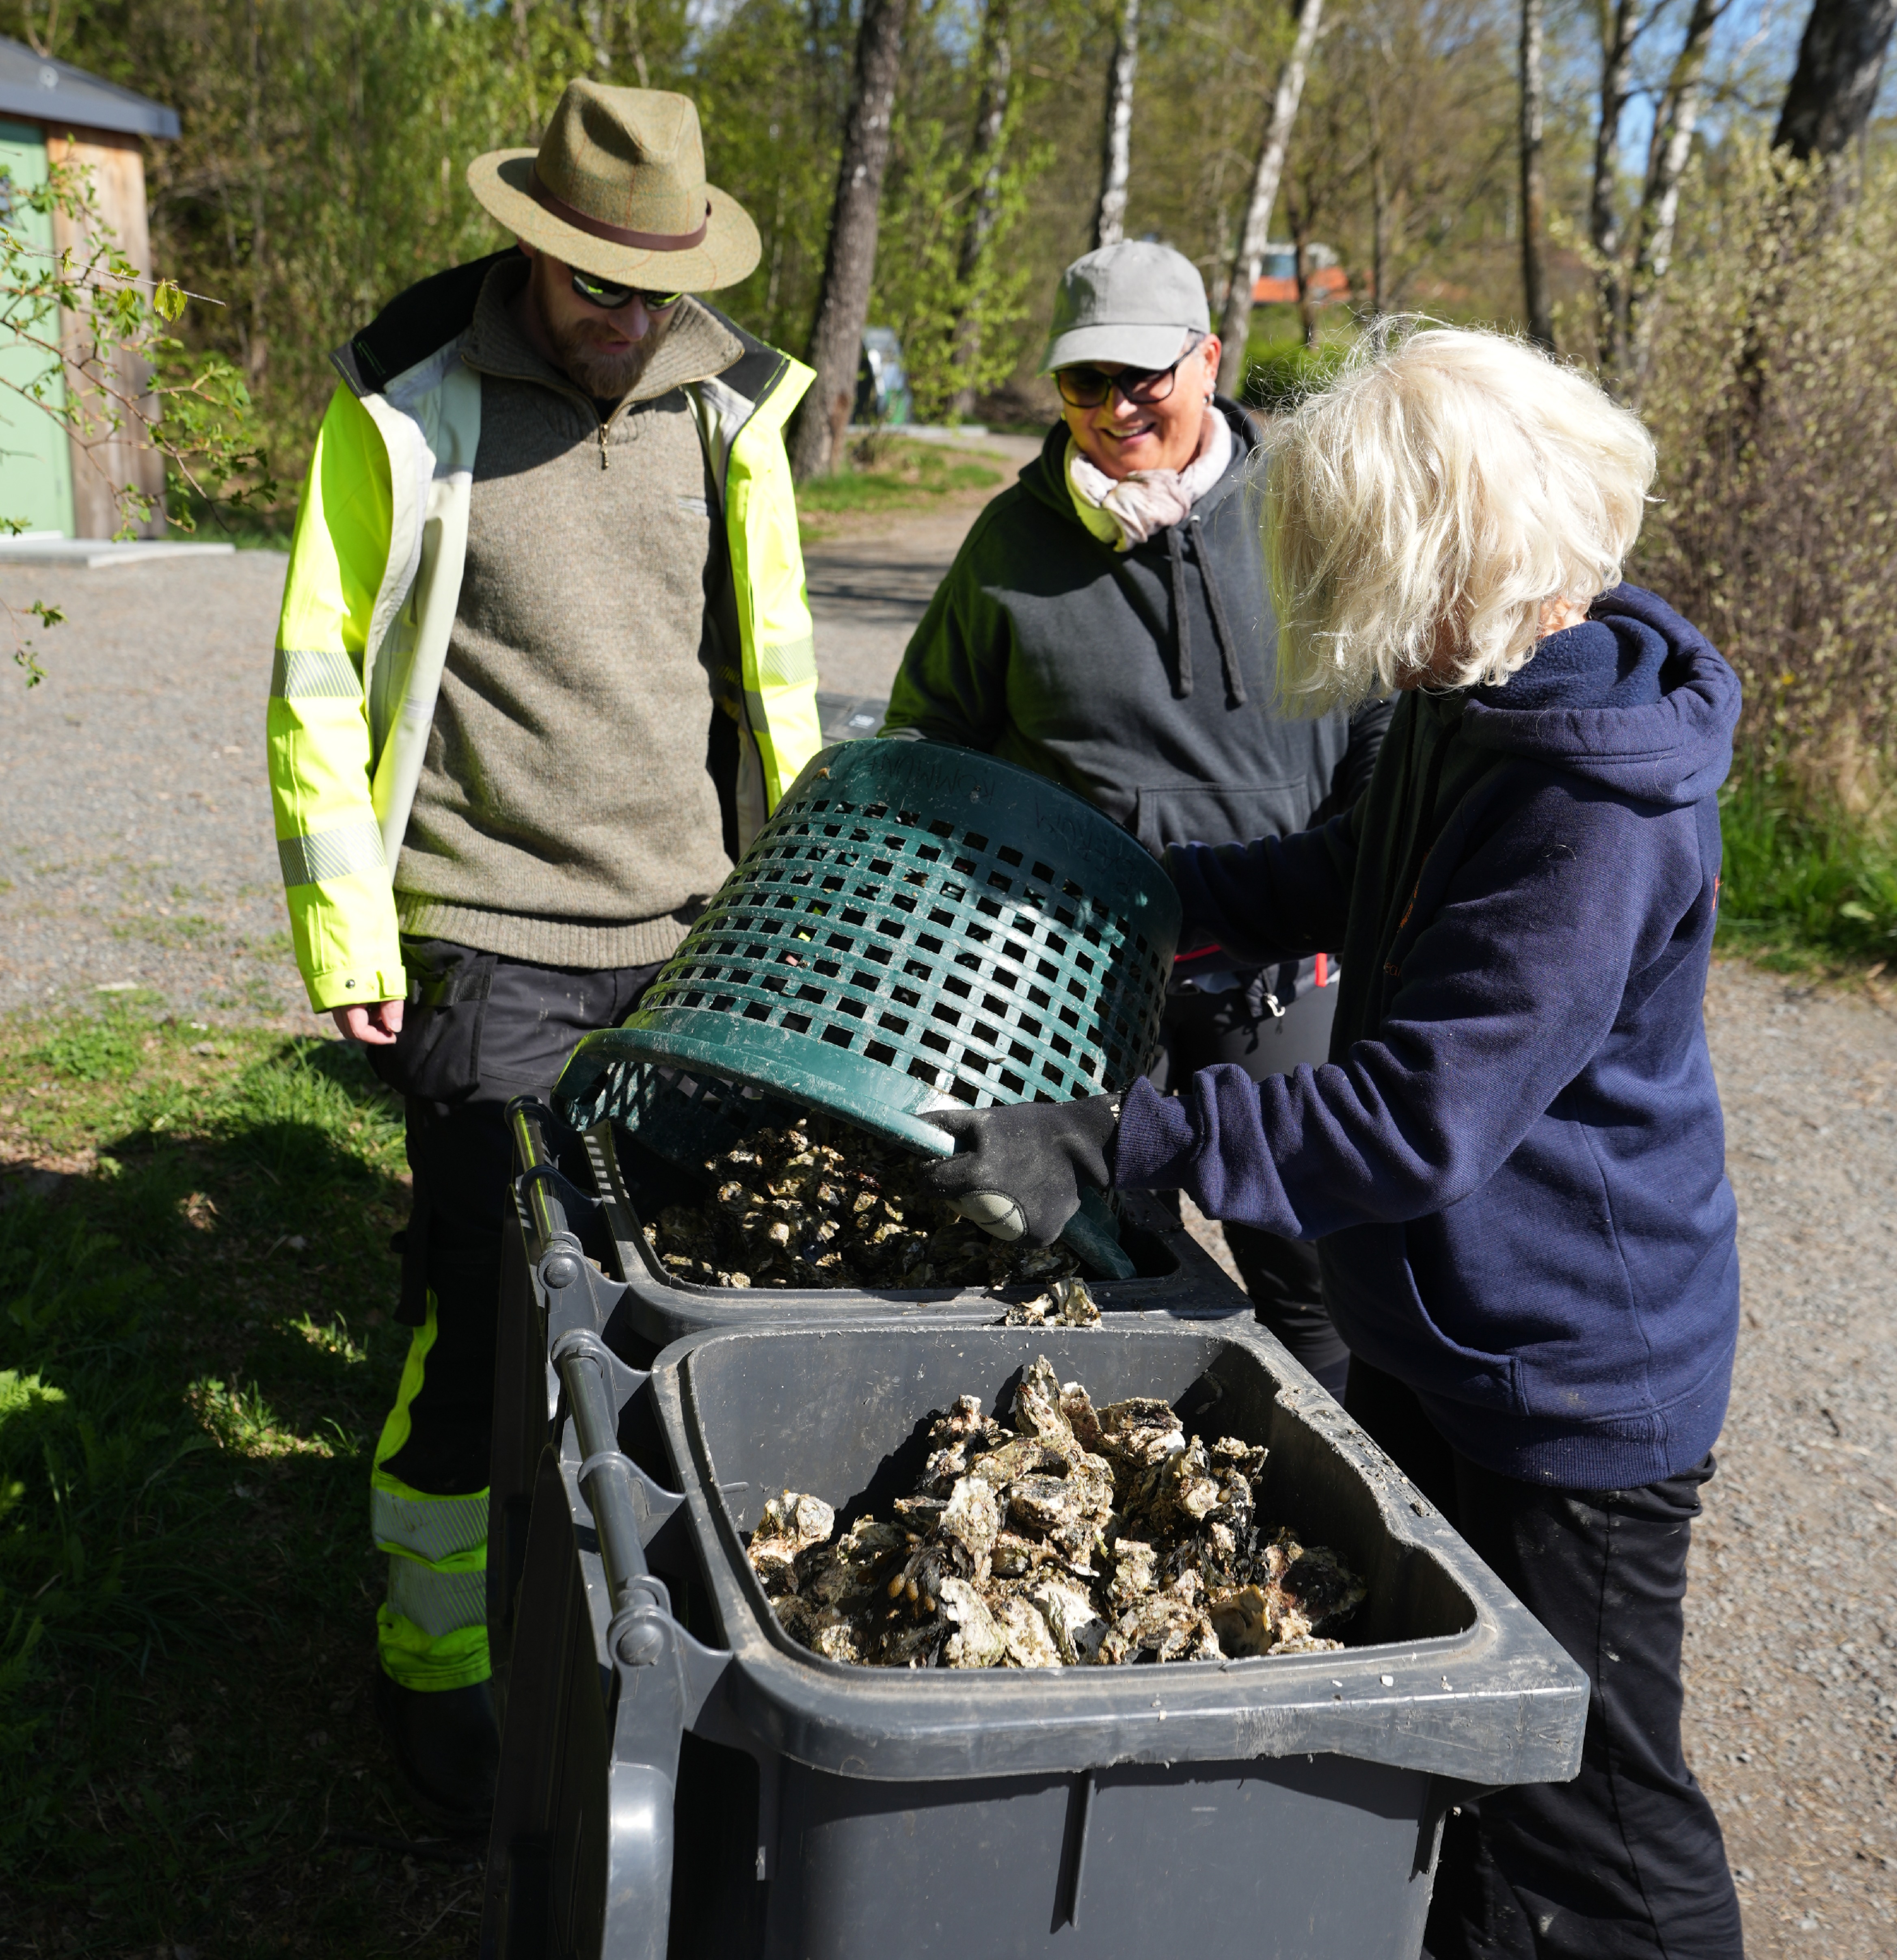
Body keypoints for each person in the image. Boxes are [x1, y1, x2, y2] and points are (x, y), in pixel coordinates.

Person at [920, 324, 1744, 1958]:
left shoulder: (1596, 803)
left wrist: (1106, 1141)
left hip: (1566, 1374)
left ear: (1460, 556)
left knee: (1594, 1806)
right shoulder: (1485, 688)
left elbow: (1412, 1116)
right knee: (1453, 1741)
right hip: (1444, 1333)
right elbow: (1351, 874)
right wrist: (1152, 894)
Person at [264, 81, 821, 1833]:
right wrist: (352, 931)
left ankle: (651, 1643)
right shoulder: (409, 402)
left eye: (657, 291)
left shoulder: (733, 410)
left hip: (691, 943)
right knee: (481, 1317)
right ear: (534, 252)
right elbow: (315, 676)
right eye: (599, 288)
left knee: (681, 1315)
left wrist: (790, 907)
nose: (629, 322)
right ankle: (431, 1663)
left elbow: (781, 673)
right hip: (485, 944)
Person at [882, 241, 1387, 1396]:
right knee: (1093, 1254)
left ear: (1208, 360)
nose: (1115, 410)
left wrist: (1348, 896)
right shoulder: (1009, 546)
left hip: (1281, 973)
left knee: (1319, 1274)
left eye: (1143, 380)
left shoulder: (1309, 514)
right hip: (1078, 984)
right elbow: (927, 742)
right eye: (1083, 384)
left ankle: (1344, 1489)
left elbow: (1383, 729)